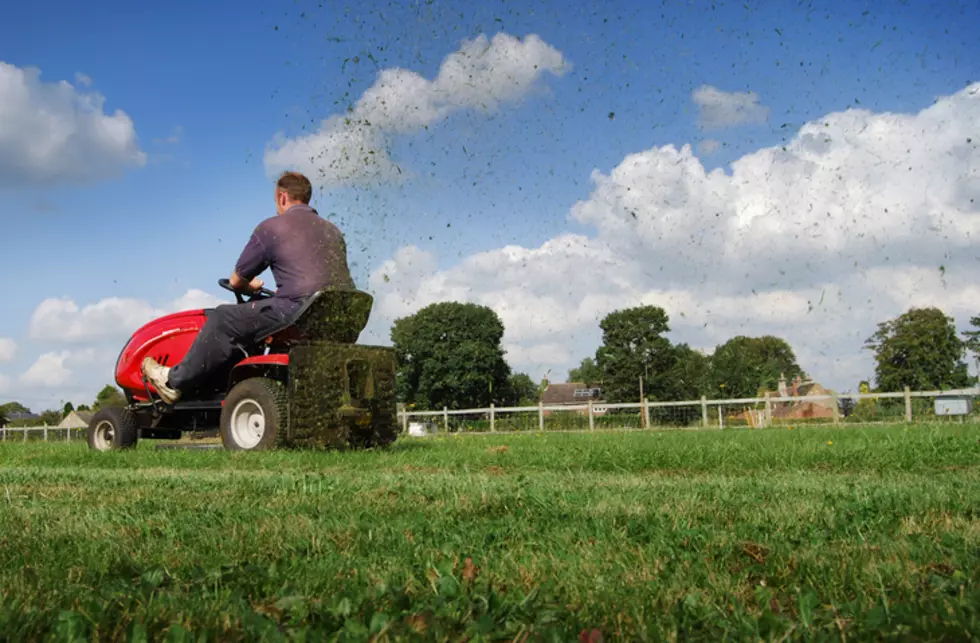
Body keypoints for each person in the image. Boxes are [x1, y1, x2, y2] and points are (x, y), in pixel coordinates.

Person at [141, 171, 356, 404]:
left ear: (282, 197)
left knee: (223, 317)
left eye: (276, 202)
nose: (276, 207)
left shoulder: (272, 227)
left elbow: (236, 281)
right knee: (265, 319)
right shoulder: (333, 230)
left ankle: (174, 381)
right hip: (340, 315)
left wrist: (250, 286)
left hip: (298, 310)